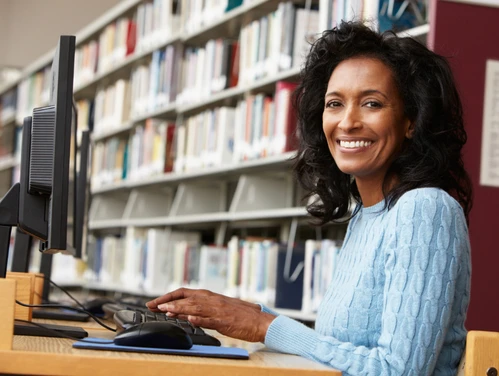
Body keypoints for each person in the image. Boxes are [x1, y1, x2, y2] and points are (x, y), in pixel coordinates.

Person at [147, 20, 473, 375]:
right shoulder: (367, 215)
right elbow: (341, 350)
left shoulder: (425, 209)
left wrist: (263, 325)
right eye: (335, 104)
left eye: (371, 103)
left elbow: (399, 371)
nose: (347, 122)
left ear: (411, 120)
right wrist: (248, 315)